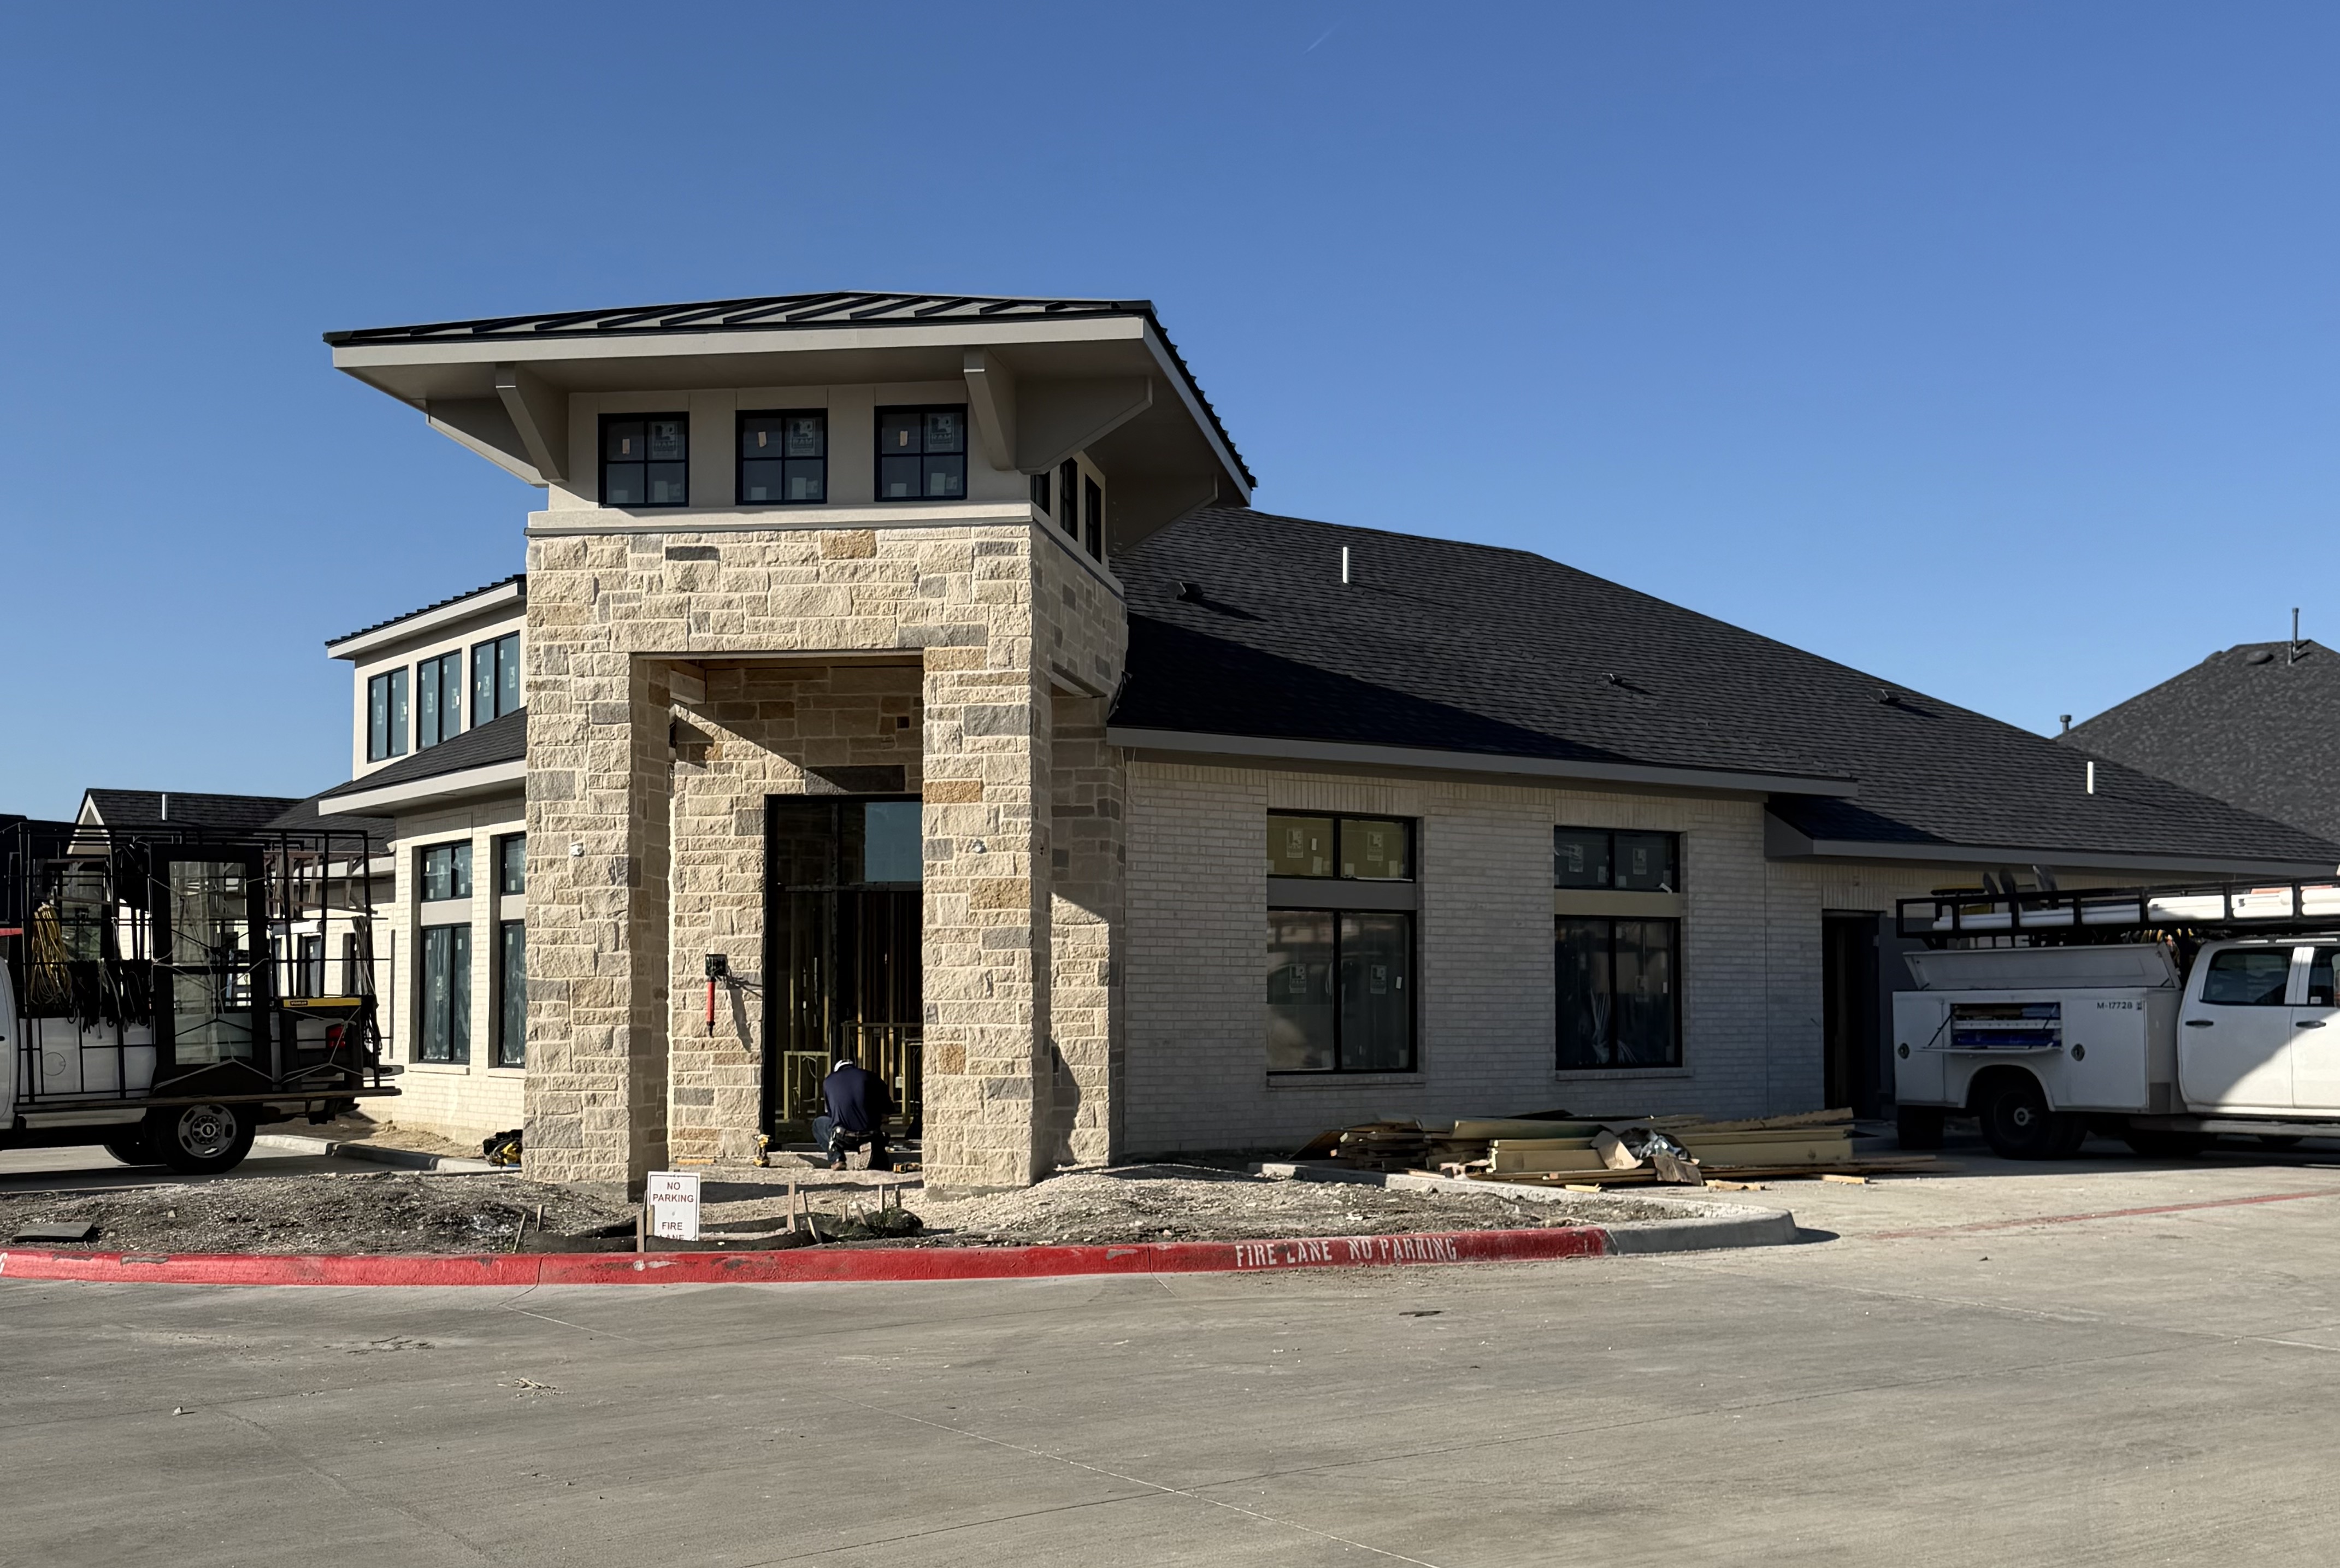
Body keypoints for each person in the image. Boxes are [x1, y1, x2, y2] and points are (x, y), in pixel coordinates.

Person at [822, 1056, 893, 1171]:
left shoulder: (829, 1081)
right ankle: (871, 1152)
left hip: (843, 1136)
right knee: (880, 1157)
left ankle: (837, 1158)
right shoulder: (871, 1077)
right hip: (870, 1134)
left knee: (818, 1124)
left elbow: (830, 1114)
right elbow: (889, 1109)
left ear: (837, 1070)